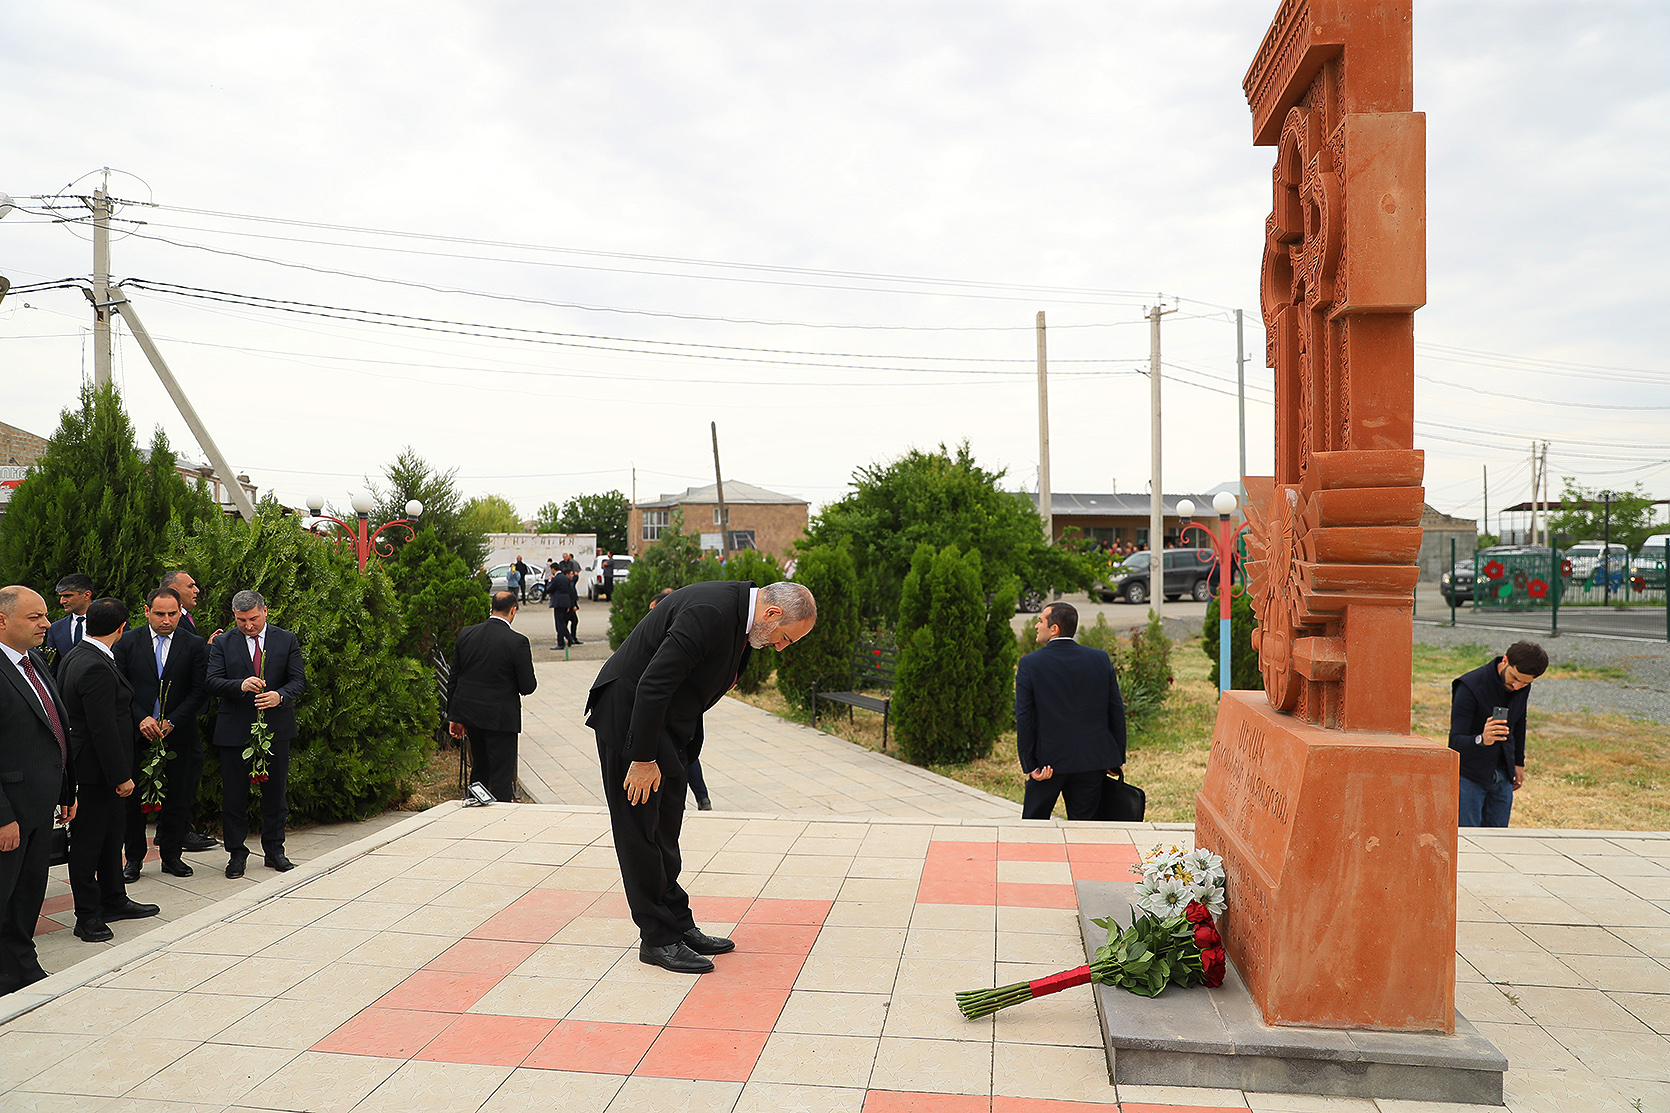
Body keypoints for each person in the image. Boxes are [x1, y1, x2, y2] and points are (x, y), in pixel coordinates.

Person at [586, 580, 815, 973]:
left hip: (665, 727)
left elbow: (693, 684)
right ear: (773, 614)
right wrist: (642, 759)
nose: (781, 647)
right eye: (786, 638)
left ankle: (677, 924)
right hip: (631, 722)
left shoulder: (742, 619)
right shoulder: (712, 611)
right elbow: (654, 682)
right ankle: (657, 939)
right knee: (640, 833)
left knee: (665, 830)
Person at [58, 597, 160, 941]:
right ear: (121, 628)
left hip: (99, 767)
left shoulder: (79, 654)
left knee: (111, 836)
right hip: (96, 772)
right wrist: (121, 776)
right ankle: (87, 915)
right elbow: (102, 727)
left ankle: (114, 898)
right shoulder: (94, 665)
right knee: (89, 843)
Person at [0, 586, 77, 994]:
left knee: (29, 893)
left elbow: (55, 729)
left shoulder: (34, 662)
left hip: (40, 805)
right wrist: (2, 817)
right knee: (5, 894)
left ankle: (23, 966)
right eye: (34, 617)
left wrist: (67, 791)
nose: (46, 624)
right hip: (10, 812)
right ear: (2, 621)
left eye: (45, 615)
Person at [206, 590, 307, 877]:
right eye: (241, 620)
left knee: (275, 794)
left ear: (265, 611)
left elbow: (298, 680)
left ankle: (275, 851)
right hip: (234, 729)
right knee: (234, 796)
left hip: (276, 728)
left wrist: (279, 696)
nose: (248, 625)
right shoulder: (223, 643)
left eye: (253, 619)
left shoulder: (286, 639)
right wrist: (239, 685)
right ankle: (236, 854)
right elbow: (211, 681)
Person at [114, 588, 210, 880]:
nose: (166, 620)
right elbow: (119, 687)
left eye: (172, 613)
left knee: (177, 797)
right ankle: (133, 859)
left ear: (180, 612)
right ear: (147, 612)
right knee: (133, 801)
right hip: (137, 735)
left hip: (178, 735)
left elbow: (199, 690)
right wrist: (141, 718)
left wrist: (173, 721)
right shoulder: (127, 642)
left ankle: (171, 856)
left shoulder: (193, 645)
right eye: (159, 614)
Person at [1015, 602, 1127, 821]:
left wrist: (1030, 765)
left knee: (1033, 827)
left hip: (1047, 765)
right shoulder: (1099, 659)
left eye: (1040, 621)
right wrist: (1115, 758)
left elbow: (1024, 717)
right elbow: (1115, 710)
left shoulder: (1030, 664)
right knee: (1085, 830)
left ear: (1054, 629)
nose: (1036, 626)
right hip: (1091, 761)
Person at [447, 591, 537, 801]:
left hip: (471, 715)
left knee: (479, 767)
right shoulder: (517, 642)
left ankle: (476, 807)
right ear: (513, 610)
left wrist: (454, 716)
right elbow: (527, 686)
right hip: (501, 718)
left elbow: (455, 677)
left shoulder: (467, 634)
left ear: (491, 608)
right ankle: (501, 813)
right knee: (501, 775)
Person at [153, 572, 220, 854]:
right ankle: (176, 830)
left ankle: (175, 829)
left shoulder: (187, 620)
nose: (197, 590)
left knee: (188, 771)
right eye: (190, 585)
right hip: (165, 717)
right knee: (179, 775)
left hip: (183, 715)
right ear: (172, 590)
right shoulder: (163, 627)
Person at [1450, 640, 1548, 828]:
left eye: (1526, 683)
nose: (1517, 686)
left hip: (1503, 772)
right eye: (1514, 678)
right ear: (1505, 660)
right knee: (1468, 837)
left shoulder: (1522, 685)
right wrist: (1481, 739)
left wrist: (1518, 762)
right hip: (1469, 775)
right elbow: (1455, 742)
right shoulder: (1469, 687)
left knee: (1498, 838)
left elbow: (1519, 722)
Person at [44, 573, 95, 674]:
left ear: (86, 595)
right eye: (61, 596)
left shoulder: (111, 621)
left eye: (67, 596)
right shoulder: (56, 628)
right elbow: (53, 668)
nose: (62, 601)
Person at [546, 568, 579, 649]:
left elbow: (549, 589)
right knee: (562, 623)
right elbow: (571, 592)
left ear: (553, 569)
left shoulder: (555, 579)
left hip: (558, 603)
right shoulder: (566, 579)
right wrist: (572, 605)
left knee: (559, 624)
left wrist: (549, 581)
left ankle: (562, 642)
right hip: (566, 603)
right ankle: (568, 639)